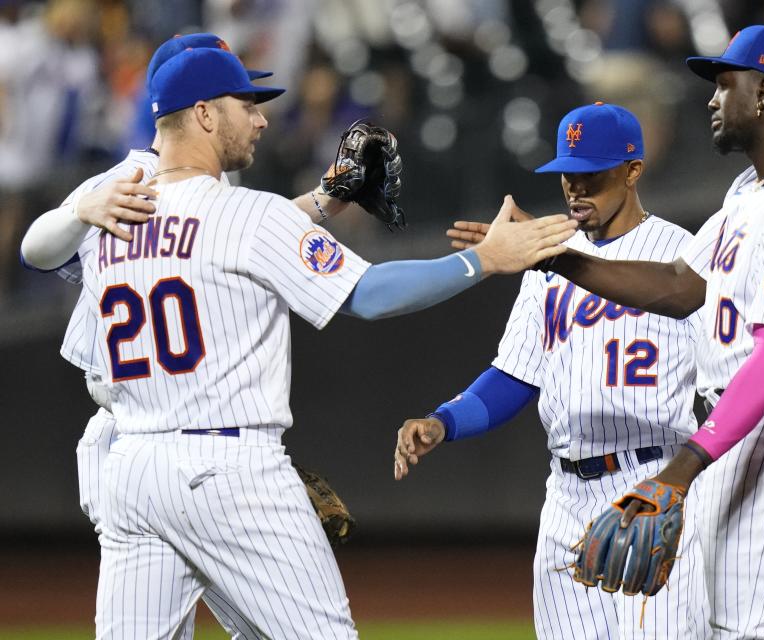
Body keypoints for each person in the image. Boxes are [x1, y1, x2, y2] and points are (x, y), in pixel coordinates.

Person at [79, 46, 574, 639]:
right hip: (227, 469)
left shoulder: (112, 220)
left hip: (131, 470)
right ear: (206, 115)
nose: (261, 119)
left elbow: (207, 246)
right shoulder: (248, 214)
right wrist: (483, 259)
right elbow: (369, 293)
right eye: (247, 104)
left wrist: (325, 197)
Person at [454, 26, 764, 639]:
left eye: (726, 84)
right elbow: (678, 286)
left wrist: (681, 468)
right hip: (749, 423)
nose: (711, 98)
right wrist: (557, 258)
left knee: (742, 631)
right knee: (708, 624)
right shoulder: (750, 193)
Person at [19, 33, 364, 639]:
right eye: (236, 94)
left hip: (154, 441)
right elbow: (33, 248)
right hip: (144, 430)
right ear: (193, 107)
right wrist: (80, 210)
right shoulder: (136, 174)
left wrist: (325, 197)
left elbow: (240, 235)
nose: (253, 112)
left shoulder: (200, 185)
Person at [394, 102, 710, 639]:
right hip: (565, 496)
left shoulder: (683, 254)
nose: (575, 188)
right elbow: (516, 374)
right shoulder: (545, 261)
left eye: (592, 175)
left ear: (633, 170)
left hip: (651, 480)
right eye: (568, 174)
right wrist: (443, 421)